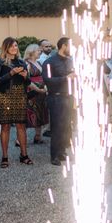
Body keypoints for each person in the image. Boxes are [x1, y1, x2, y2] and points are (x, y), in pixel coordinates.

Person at [0, 37, 32, 167]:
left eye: (16, 46)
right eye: (12, 46)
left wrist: (25, 76)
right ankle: (4, 157)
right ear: (6, 48)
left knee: (21, 125)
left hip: (20, 95)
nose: (15, 48)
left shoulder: (22, 62)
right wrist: (11, 73)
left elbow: (28, 82)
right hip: (4, 96)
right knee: (5, 126)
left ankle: (24, 155)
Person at [42, 37, 74, 166]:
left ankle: (61, 151)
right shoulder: (49, 62)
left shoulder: (69, 61)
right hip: (55, 98)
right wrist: (66, 78)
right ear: (64, 46)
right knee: (56, 127)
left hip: (68, 97)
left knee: (66, 127)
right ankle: (54, 155)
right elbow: (48, 80)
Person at [23, 44, 48, 144]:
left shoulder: (38, 62)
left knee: (40, 113)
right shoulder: (27, 64)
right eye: (38, 50)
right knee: (30, 114)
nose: (40, 52)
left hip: (41, 93)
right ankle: (19, 140)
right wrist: (37, 89)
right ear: (31, 51)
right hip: (32, 92)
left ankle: (38, 136)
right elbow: (26, 80)